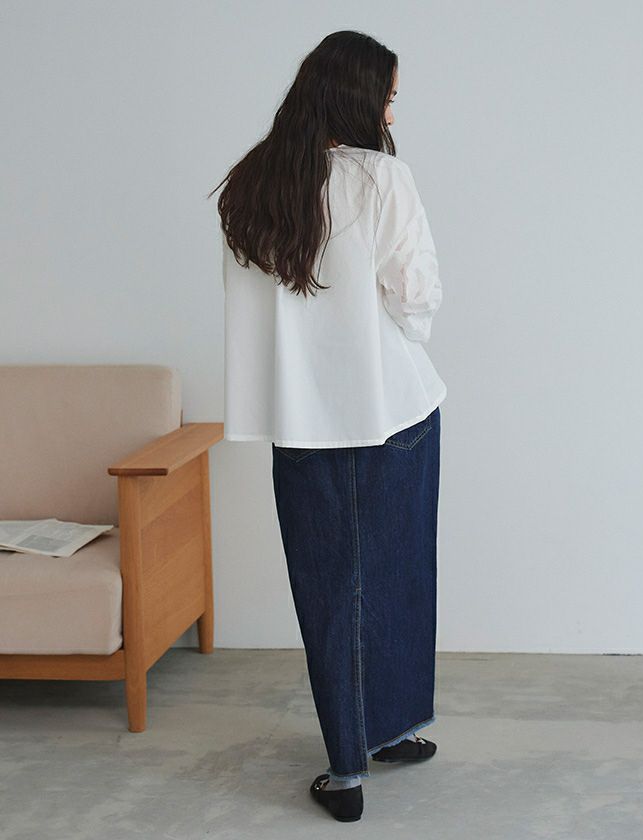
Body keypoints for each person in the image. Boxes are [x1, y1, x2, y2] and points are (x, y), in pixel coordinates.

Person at [209, 30, 446, 823]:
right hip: (392, 410)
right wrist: (387, 335)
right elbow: (417, 294)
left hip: (302, 420)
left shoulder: (253, 181)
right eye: (387, 96)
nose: (390, 112)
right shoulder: (381, 177)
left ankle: (352, 762)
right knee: (398, 576)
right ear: (356, 96)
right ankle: (384, 734)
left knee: (328, 590)